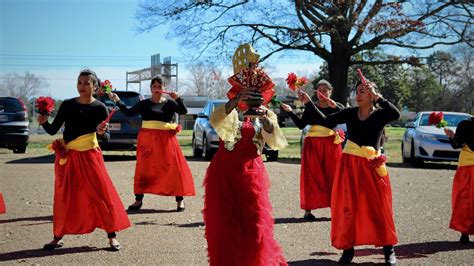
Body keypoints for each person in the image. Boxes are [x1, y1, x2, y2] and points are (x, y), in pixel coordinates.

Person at [202, 44, 288, 265]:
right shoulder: (228, 109)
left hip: (253, 176)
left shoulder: (265, 112)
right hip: (225, 174)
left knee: (254, 224)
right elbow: (216, 121)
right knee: (226, 226)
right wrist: (236, 100)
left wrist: (267, 120)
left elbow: (274, 139)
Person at [300, 80, 400, 265]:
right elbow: (326, 121)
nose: (359, 94)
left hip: (372, 166)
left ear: (371, 95)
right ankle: (348, 250)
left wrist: (379, 97)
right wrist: (308, 103)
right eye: (358, 91)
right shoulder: (351, 113)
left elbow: (395, 113)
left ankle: (389, 249)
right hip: (349, 165)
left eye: (364, 91)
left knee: (379, 207)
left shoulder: (380, 115)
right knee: (348, 207)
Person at [38, 69, 130, 251]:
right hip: (68, 156)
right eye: (80, 82)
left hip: (90, 156)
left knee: (100, 193)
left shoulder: (100, 108)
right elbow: (52, 130)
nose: (82, 86)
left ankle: (112, 236)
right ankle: (57, 236)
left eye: (87, 83)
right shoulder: (67, 105)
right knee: (65, 196)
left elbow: (106, 139)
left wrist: (101, 132)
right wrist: (44, 121)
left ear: (95, 87)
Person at [108, 76, 195, 212]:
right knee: (143, 169)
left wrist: (177, 98)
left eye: (159, 86)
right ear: (150, 88)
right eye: (154, 86)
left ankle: (180, 200)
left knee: (173, 168)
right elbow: (128, 112)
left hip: (166, 140)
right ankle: (138, 200)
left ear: (164, 89)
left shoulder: (170, 103)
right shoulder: (144, 104)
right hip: (147, 140)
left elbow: (183, 111)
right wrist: (117, 100)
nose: (156, 89)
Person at [281, 79, 344, 221]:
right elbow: (300, 124)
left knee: (333, 175)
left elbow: (342, 116)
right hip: (313, 145)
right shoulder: (311, 107)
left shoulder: (336, 106)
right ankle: (308, 211)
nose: (322, 93)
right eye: (319, 90)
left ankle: (336, 208)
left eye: (325, 90)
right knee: (311, 176)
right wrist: (291, 112)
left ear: (331, 91)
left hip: (331, 144)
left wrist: (335, 107)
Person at [444, 116, 474, 243]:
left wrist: (451, 135)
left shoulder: (466, 124)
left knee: (464, 199)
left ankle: (465, 232)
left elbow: (457, 145)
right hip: (466, 166)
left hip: (467, 165)